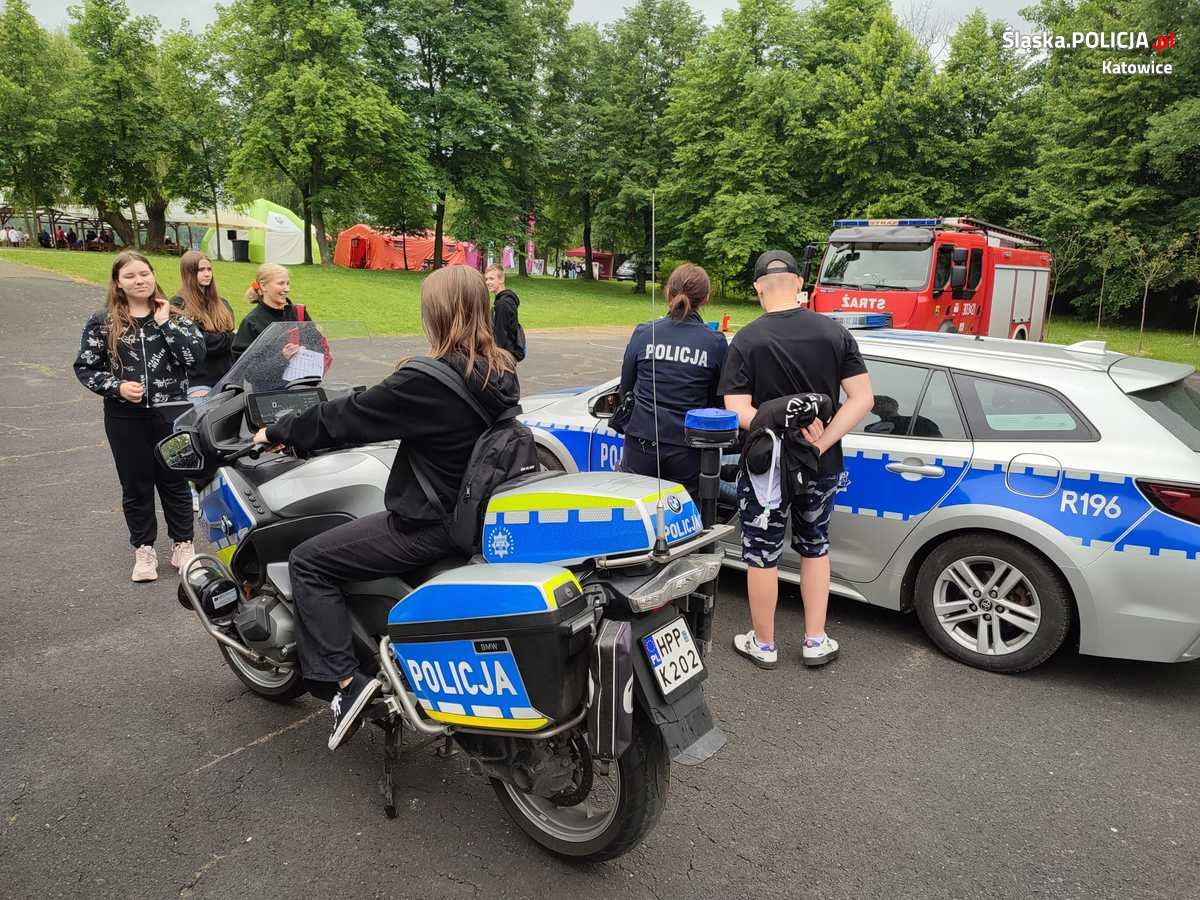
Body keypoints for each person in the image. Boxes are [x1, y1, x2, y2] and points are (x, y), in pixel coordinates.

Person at [250, 265, 521, 750]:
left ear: (435, 314)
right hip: (475, 514)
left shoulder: (429, 379)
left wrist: (280, 431)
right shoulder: (498, 367)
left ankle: (346, 684)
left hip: (429, 523)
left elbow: (348, 418)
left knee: (309, 562)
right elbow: (382, 405)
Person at [720, 250, 873, 669]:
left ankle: (764, 644)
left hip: (766, 467)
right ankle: (815, 639)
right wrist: (817, 444)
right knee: (815, 546)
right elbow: (863, 399)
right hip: (821, 465)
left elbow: (737, 408)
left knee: (761, 553)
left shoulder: (747, 339)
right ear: (801, 287)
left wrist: (781, 435)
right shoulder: (834, 333)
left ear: (758, 289)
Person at [73, 251, 206, 582]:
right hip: (124, 417)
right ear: (118, 282)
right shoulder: (103, 321)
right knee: (136, 484)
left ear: (153, 275)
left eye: (144, 273)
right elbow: (86, 366)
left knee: (174, 479)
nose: (139, 280)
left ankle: (183, 545)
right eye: (130, 276)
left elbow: (195, 357)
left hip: (171, 413)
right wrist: (116, 387)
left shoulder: (175, 315)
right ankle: (144, 550)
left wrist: (164, 324)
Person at [617, 263, 728, 499]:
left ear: (668, 292)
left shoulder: (645, 333)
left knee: (637, 515)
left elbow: (626, 387)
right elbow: (718, 400)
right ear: (706, 298)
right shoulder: (714, 342)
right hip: (688, 446)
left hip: (642, 441)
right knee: (684, 520)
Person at [171, 250, 236, 400]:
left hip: (227, 379)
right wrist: (228, 338)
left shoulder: (222, 304)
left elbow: (229, 340)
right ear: (188, 273)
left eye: (209, 269)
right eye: (201, 270)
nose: (207, 274)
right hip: (198, 382)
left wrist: (224, 338)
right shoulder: (178, 304)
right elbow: (197, 343)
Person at [231, 263, 306, 358]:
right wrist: (281, 358)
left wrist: (305, 350)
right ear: (263, 286)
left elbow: (316, 343)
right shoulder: (251, 322)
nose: (287, 289)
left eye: (288, 283)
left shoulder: (299, 312)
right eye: (281, 283)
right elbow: (242, 364)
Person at [485, 263, 525, 361]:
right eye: (486, 279)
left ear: (501, 280)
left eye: (491, 279)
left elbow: (501, 335)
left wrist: (495, 357)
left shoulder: (503, 303)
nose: (487, 282)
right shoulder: (502, 300)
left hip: (504, 356)